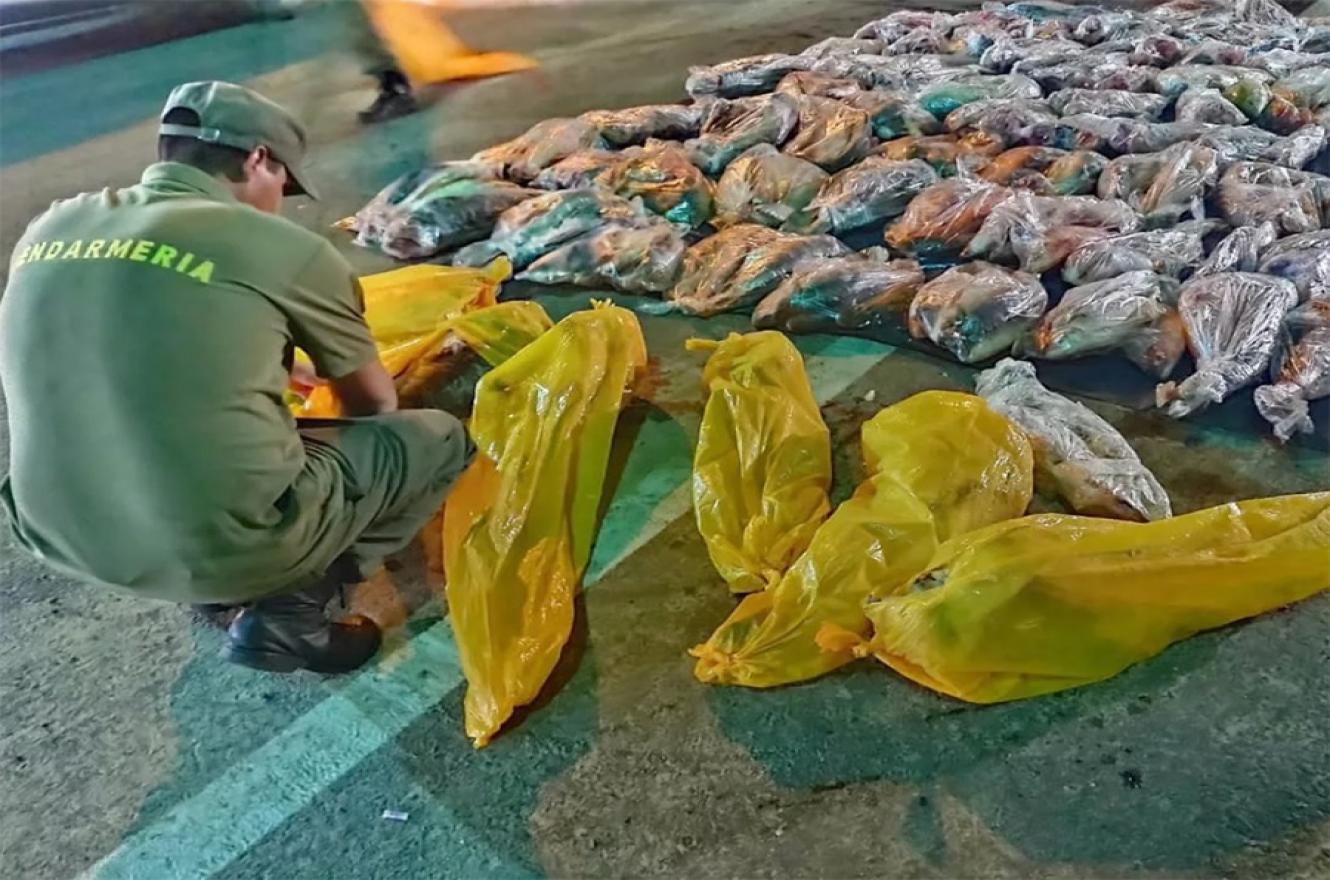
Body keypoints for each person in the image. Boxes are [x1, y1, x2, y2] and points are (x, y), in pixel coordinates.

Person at [0, 81, 472, 674]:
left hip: (52, 532)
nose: (283, 200)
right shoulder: (282, 246)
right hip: (213, 542)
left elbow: (124, 340)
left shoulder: (54, 226)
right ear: (257, 159)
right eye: (283, 183)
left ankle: (215, 576)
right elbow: (371, 406)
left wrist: (268, 364)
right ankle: (293, 609)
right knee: (434, 440)